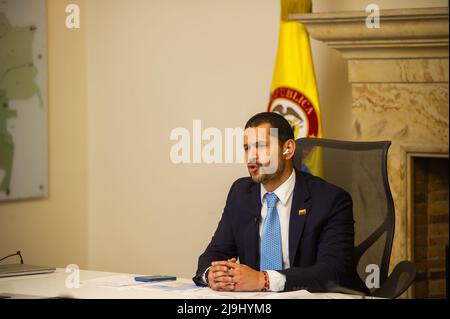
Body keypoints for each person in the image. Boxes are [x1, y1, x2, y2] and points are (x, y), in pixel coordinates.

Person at [193, 112, 368, 293]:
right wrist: (212, 274)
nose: (251, 157)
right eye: (247, 148)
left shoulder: (330, 199)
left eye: (260, 146)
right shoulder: (241, 193)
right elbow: (215, 253)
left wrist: (264, 280)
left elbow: (333, 271)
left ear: (288, 149)